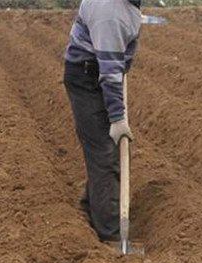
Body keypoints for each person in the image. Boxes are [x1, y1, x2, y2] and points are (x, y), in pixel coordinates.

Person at [63, 0, 141, 243]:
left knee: (106, 152)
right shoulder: (111, 15)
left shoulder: (124, 6)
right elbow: (109, 74)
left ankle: (90, 209)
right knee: (104, 155)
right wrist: (117, 119)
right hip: (88, 78)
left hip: (96, 68)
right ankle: (110, 236)